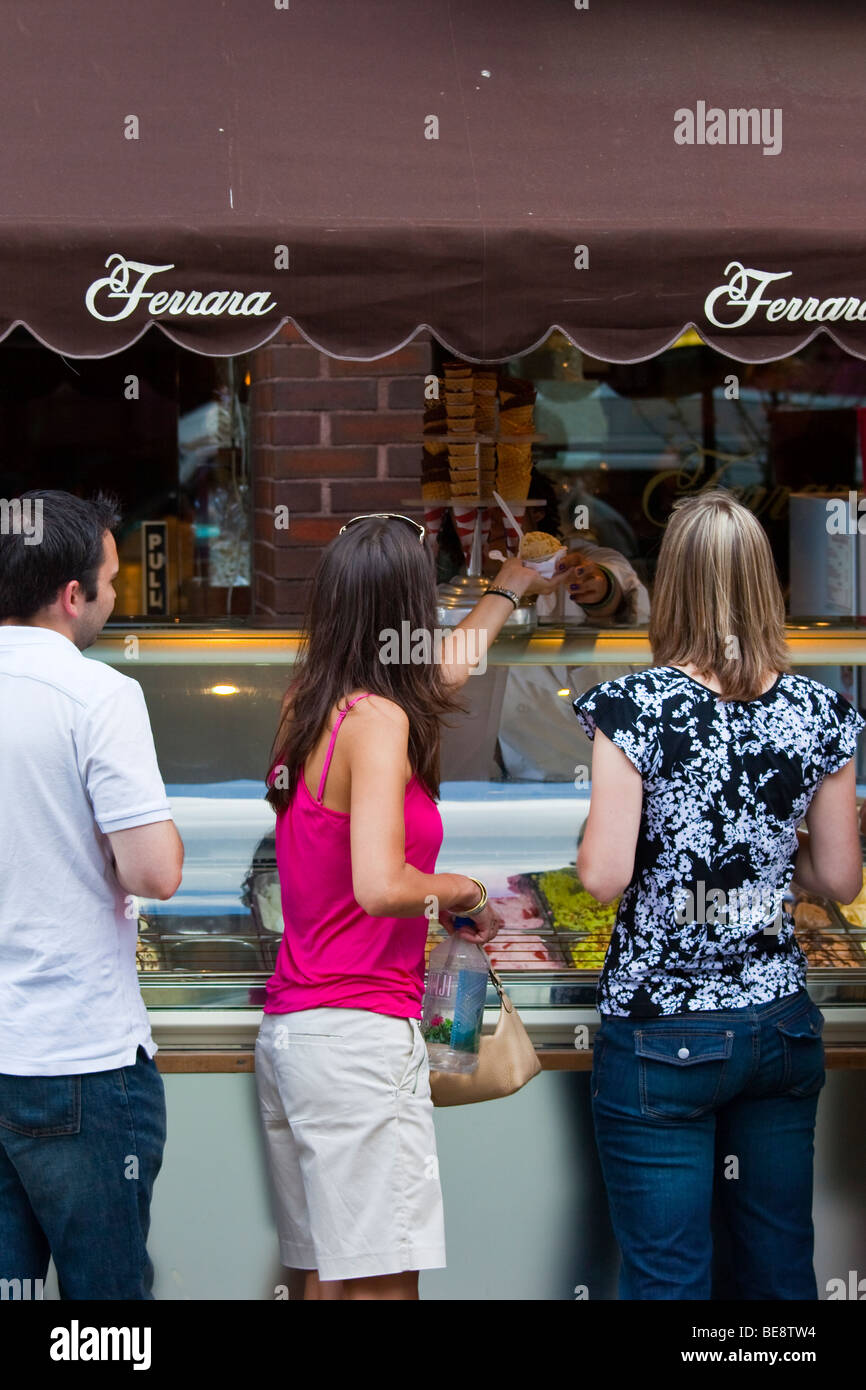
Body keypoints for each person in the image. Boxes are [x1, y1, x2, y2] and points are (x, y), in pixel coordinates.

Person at [255, 512, 567, 1301]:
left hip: (297, 1035)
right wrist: (460, 890)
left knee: (325, 1281)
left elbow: (442, 675)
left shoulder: (315, 703)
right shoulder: (382, 721)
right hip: (358, 1044)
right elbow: (381, 886)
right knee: (384, 1289)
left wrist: (505, 590)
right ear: (408, 613)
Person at [573, 489, 864, 1299]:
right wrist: (774, 866)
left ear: (674, 584)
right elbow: (841, 879)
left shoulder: (632, 707)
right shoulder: (821, 712)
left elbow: (601, 878)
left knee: (669, 1276)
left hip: (662, 1035)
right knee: (777, 1270)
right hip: (778, 1027)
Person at [0, 489, 183, 1300]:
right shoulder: (98, 695)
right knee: (105, 1310)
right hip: (76, 1060)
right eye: (111, 581)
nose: (115, 597)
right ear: (73, 596)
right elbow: (155, 872)